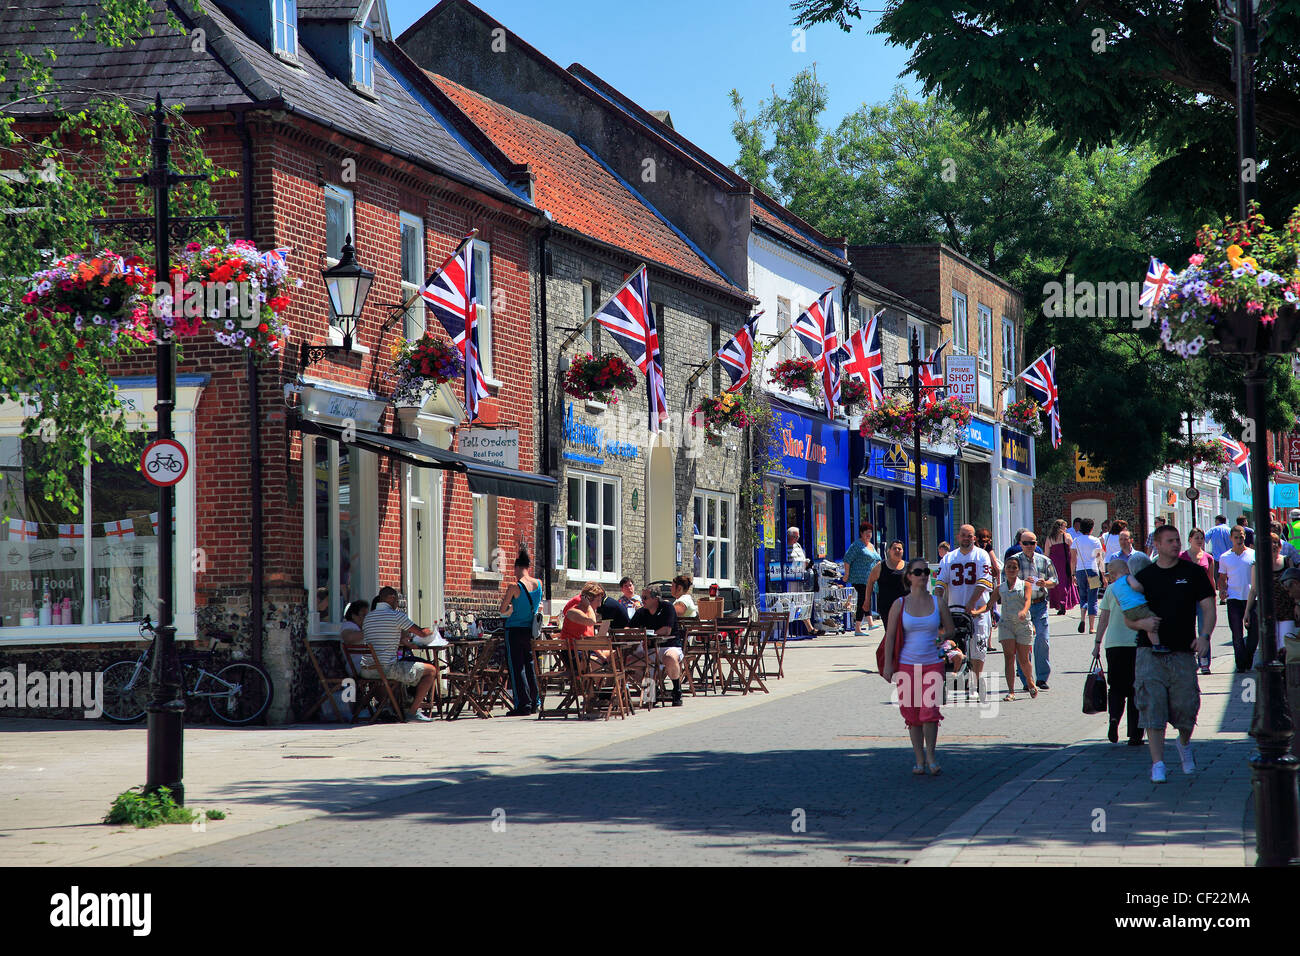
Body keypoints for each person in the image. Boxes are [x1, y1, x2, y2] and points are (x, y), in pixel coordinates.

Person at [1130, 525, 1215, 783]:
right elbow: (1129, 617)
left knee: (1186, 707)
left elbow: (1209, 607)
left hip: (1183, 651)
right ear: (1157, 544)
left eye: (1178, 540)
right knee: (1152, 705)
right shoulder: (1145, 576)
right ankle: (1158, 763)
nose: (1176, 545)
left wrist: (1205, 636)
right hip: (1149, 652)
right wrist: (1141, 624)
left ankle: (1184, 743)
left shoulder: (1193, 573)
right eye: (1170, 541)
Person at [882, 556, 957, 775]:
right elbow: (891, 636)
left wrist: (943, 636)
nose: (923, 576)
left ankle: (931, 757)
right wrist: (888, 665)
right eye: (918, 572)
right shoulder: (900, 604)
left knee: (929, 711)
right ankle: (919, 759)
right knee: (912, 715)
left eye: (926, 572)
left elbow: (951, 629)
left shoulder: (937, 601)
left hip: (933, 663)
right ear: (909, 576)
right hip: (907, 665)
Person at [934, 524, 994, 700]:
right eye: (963, 535)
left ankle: (975, 681)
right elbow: (940, 584)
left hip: (977, 610)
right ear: (958, 537)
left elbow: (984, 582)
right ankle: (954, 676)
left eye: (970, 536)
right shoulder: (949, 558)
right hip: (954, 610)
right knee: (953, 645)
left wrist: (971, 603)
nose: (966, 538)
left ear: (974, 538)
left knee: (978, 646)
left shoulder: (981, 555)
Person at [360, 586, 437, 722]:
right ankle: (412, 712)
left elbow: (382, 635)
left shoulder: (368, 618)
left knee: (402, 667)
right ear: (391, 598)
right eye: (397, 600)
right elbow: (421, 633)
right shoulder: (396, 616)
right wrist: (432, 631)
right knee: (431, 670)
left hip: (366, 669)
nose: (397, 604)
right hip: (386, 669)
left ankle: (389, 706)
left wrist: (401, 639)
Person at [1094, 556, 1145, 746]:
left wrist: (1097, 643)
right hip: (1136, 643)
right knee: (1135, 688)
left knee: (1115, 686)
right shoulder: (1140, 587)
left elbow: (1103, 619)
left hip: (1114, 644)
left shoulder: (1111, 589)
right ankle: (1135, 733)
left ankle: (1114, 719)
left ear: (1114, 574)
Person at [498, 549, 544, 716]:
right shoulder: (539, 584)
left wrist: (512, 609)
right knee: (531, 667)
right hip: (530, 631)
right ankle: (535, 702)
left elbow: (502, 610)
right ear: (528, 567)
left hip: (514, 630)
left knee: (517, 668)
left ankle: (522, 704)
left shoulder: (514, 586)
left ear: (517, 568)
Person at [1017, 532, 1058, 690]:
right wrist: (1022, 583)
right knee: (1023, 643)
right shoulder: (1014, 560)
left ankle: (1042, 678)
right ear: (1020, 543)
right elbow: (1007, 580)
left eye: (1032, 543)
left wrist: (1045, 583)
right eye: (1026, 543)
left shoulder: (1044, 560)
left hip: (1040, 604)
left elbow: (1054, 580)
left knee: (1042, 639)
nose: (1029, 546)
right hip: (1021, 605)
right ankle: (1026, 679)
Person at [1245, 533, 1294, 665]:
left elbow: (1295, 588)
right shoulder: (1257, 565)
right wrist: (1247, 612)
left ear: (1279, 546)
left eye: (1275, 543)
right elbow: (1254, 589)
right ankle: (1274, 679)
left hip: (1286, 610)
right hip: (1267, 613)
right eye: (1270, 543)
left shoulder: (1287, 561)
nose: (1273, 546)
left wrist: (1298, 605)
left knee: (1287, 645)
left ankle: (1286, 677)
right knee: (1270, 648)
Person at [992, 555, 1037, 701]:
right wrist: (975, 612)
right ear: (1004, 569)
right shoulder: (1000, 588)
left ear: (1018, 570)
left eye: (1014, 567)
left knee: (1023, 659)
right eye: (1008, 567)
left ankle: (1030, 681)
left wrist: (1024, 611)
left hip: (1022, 624)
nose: (1011, 569)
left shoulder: (1025, 585)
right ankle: (1011, 691)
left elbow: (1028, 600)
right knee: (1008, 657)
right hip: (1006, 624)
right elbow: (988, 605)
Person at [628, 588, 683, 706]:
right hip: (650, 649)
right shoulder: (642, 612)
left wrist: (647, 636)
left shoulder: (667, 608)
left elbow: (666, 630)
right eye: (642, 597)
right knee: (629, 662)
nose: (642, 600)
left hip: (669, 646)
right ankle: (653, 691)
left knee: (669, 658)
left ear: (655, 598)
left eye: (645, 598)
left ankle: (676, 690)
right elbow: (628, 628)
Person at [1217, 525, 1257, 672]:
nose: (1239, 540)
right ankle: (1241, 665)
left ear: (1245, 537)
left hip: (1253, 599)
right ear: (1231, 539)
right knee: (1237, 634)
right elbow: (1222, 578)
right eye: (1236, 537)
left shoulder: (1253, 554)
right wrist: (1222, 590)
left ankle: (1248, 657)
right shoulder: (1225, 557)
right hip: (1234, 599)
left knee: (1254, 635)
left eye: (1241, 537)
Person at [1180, 528, 1217, 674]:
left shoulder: (1208, 557)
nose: (1200, 540)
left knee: (1204, 629)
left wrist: (1213, 595)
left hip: (1203, 598)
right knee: (1187, 629)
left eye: (1201, 538)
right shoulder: (1182, 557)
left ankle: (1204, 661)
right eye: (1196, 538)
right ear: (1190, 539)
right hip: (1187, 597)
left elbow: (1211, 578)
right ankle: (1189, 659)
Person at [844, 522, 881, 635]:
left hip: (869, 578)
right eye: (867, 532)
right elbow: (847, 559)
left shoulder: (871, 546)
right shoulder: (857, 545)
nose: (869, 534)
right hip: (859, 577)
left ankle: (869, 623)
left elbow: (877, 559)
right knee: (863, 599)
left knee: (866, 599)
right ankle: (858, 628)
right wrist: (846, 574)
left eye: (870, 532)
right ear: (861, 533)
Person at [1071, 517, 1104, 634]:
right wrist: (1103, 574)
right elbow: (1099, 558)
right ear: (1091, 528)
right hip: (1093, 570)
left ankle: (1082, 617)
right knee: (1093, 597)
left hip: (1080, 571)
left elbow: (1073, 559)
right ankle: (1091, 627)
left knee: (1083, 595)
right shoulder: (1095, 540)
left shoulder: (1076, 540)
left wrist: (1072, 574)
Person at [1045, 519, 1079, 615]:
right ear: (1061, 527)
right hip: (1065, 562)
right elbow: (1073, 551)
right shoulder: (1067, 536)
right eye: (1065, 526)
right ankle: (1064, 602)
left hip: (1054, 562)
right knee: (1065, 583)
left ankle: (1059, 603)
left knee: (1056, 583)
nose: (1066, 528)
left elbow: (1046, 554)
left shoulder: (1049, 538)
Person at [871, 540, 908, 619]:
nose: (897, 550)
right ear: (889, 551)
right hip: (886, 607)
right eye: (894, 548)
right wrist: (867, 601)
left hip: (905, 606)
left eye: (899, 549)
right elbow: (870, 582)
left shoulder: (908, 567)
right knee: (891, 630)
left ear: (903, 551)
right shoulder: (880, 566)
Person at [975, 528, 1002, 625]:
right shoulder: (988, 547)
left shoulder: (973, 548)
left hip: (974, 580)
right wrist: (999, 583)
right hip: (988, 580)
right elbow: (996, 566)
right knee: (989, 606)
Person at [786, 526, 808, 591]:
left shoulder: (798, 545)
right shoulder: (784, 546)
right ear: (789, 536)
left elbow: (803, 557)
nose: (797, 539)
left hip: (801, 576)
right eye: (795, 537)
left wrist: (805, 563)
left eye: (798, 537)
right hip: (790, 577)